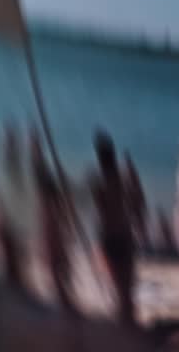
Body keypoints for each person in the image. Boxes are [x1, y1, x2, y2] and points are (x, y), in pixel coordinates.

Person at [89, 131, 136, 326]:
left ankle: (125, 326)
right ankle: (128, 324)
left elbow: (100, 211)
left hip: (112, 236)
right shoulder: (122, 179)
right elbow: (134, 204)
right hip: (122, 234)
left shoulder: (100, 181)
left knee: (120, 288)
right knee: (126, 288)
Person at [31, 129, 78, 316]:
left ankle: (65, 304)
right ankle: (65, 303)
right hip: (54, 233)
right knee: (58, 271)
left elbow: (39, 171)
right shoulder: (49, 199)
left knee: (58, 269)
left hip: (54, 235)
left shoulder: (48, 199)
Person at [123, 151, 150, 249]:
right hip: (132, 204)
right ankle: (139, 244)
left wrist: (141, 204)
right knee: (135, 226)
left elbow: (138, 190)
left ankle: (142, 245)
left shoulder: (131, 173)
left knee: (139, 226)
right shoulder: (128, 174)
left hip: (135, 204)